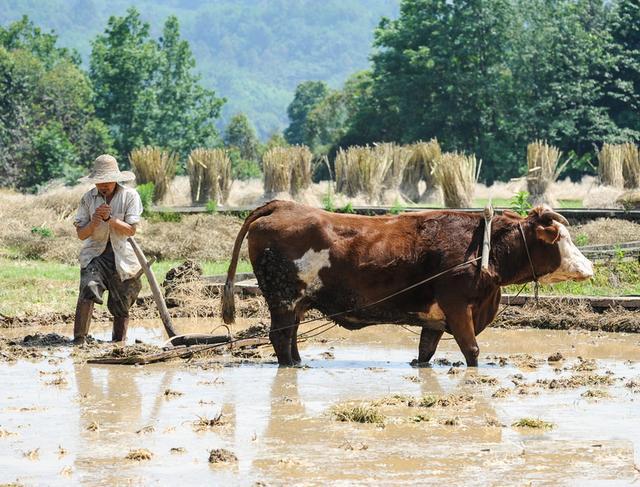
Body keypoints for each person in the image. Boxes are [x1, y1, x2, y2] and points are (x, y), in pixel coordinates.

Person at [73, 154, 144, 344]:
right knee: (88, 287)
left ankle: (119, 344)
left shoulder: (130, 196)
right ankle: (80, 340)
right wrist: (95, 221)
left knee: (121, 301)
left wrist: (110, 220)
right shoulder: (88, 199)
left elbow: (131, 230)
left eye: (107, 181)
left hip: (123, 257)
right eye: (99, 182)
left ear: (116, 180)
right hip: (95, 255)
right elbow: (81, 234)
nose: (103, 186)